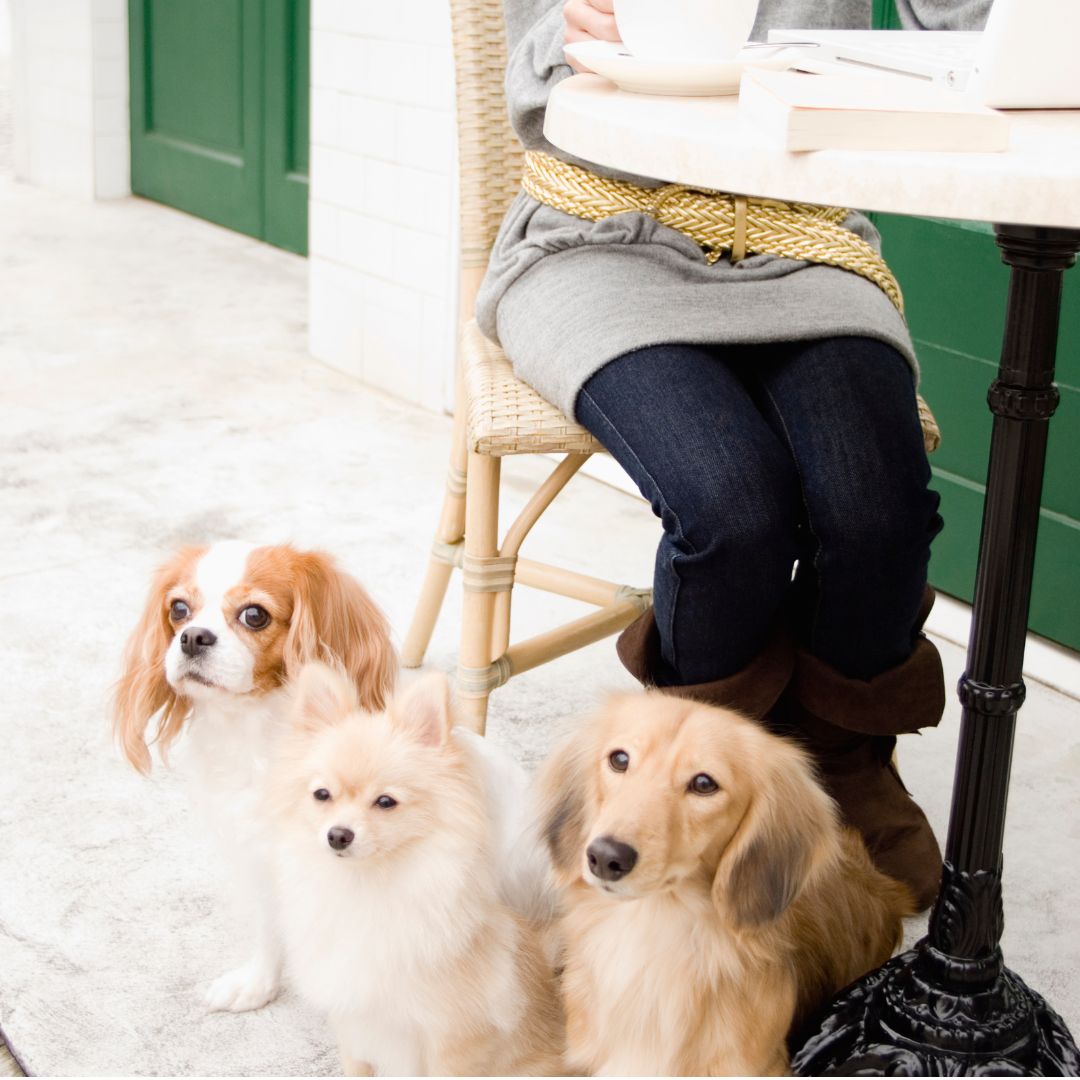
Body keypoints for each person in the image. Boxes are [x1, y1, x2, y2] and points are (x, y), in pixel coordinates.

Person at [476, 0, 989, 912]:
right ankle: (688, 773)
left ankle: (840, 760)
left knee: (877, 510)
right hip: (599, 239)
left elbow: (966, 31)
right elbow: (536, 61)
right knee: (732, 508)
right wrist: (578, 28)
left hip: (798, 243)